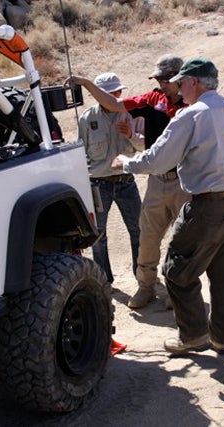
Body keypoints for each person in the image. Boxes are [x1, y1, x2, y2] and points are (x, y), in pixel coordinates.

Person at [112, 57, 224, 355]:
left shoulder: (189, 117)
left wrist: (127, 163)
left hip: (210, 203)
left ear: (194, 82)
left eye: (181, 83)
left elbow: (157, 160)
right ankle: (222, 338)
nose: (178, 90)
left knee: (177, 270)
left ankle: (193, 335)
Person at [66, 54, 191, 310]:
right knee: (147, 236)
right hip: (156, 179)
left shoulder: (194, 104)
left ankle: (179, 291)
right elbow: (114, 104)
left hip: (184, 180)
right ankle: (146, 287)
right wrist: (87, 83)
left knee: (183, 238)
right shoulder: (152, 99)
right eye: (158, 79)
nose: (161, 84)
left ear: (180, 78)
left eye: (165, 79)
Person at [77, 72, 143, 285]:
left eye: (118, 91)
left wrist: (129, 135)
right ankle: (104, 280)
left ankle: (142, 276)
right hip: (98, 184)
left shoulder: (131, 115)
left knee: (138, 229)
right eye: (113, 92)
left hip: (126, 181)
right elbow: (80, 154)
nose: (118, 94)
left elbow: (145, 147)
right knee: (98, 236)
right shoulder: (87, 119)